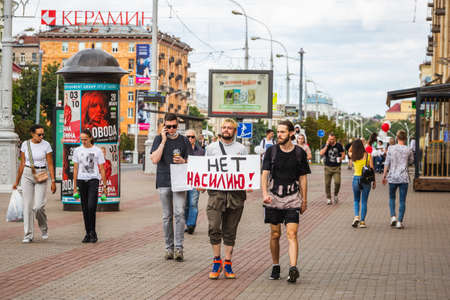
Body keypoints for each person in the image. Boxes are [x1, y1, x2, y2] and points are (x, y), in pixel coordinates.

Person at [261, 120, 310, 283]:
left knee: (292, 233)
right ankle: (275, 265)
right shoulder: (271, 152)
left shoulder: (299, 153)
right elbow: (265, 174)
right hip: (274, 198)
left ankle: (293, 268)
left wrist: (304, 200)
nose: (279, 135)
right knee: (275, 234)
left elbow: (303, 178)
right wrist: (264, 193)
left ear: (291, 133)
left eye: (282, 132)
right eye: (278, 132)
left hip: (292, 199)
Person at [206, 119, 248, 280]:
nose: (226, 130)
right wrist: (201, 183)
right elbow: (205, 169)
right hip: (216, 195)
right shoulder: (211, 148)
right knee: (214, 227)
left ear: (235, 131)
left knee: (230, 230)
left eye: (230, 128)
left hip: (236, 196)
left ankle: (228, 262)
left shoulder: (241, 149)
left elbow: (245, 170)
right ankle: (217, 261)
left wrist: (248, 183)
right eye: (224, 127)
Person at [151, 113, 191, 261]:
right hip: (164, 180)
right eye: (169, 127)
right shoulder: (158, 139)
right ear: (164, 126)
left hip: (180, 181)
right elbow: (155, 159)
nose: (172, 129)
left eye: (174, 126)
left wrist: (183, 160)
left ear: (177, 125)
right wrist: (163, 140)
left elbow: (192, 161)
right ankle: (169, 248)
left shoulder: (184, 140)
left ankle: (179, 248)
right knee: (167, 216)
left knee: (179, 213)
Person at [13, 124, 56, 243]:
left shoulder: (46, 145)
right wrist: (17, 181)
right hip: (27, 173)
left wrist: (53, 181)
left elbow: (50, 164)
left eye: (43, 134)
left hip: (41, 174)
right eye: (39, 134)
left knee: (38, 207)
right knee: (27, 206)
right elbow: (22, 164)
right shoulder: (25, 144)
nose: (41, 136)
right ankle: (28, 235)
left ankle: (44, 228)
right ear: (32, 134)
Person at [72, 129, 108, 243]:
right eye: (81, 139)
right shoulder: (77, 150)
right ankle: (88, 233)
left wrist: (105, 186)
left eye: (85, 139)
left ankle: (93, 231)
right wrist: (74, 186)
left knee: (91, 206)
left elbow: (102, 168)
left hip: (93, 180)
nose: (83, 141)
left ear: (91, 138)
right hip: (81, 180)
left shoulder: (97, 151)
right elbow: (76, 168)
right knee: (84, 208)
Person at [382, 130, 414, 229]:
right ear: (405, 138)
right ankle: (399, 221)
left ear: (397, 137)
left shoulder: (391, 148)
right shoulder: (409, 149)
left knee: (392, 198)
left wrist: (384, 176)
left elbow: (387, 162)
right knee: (402, 200)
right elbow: (411, 161)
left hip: (392, 177)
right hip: (404, 177)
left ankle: (393, 217)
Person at [349, 139, 376, 228]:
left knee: (356, 200)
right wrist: (374, 181)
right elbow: (372, 169)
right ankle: (362, 222)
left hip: (356, 179)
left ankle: (356, 216)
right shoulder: (368, 156)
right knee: (364, 201)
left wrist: (353, 145)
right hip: (366, 180)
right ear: (362, 146)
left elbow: (348, 150)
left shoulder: (353, 156)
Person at [184, 130, 205, 234]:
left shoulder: (201, 151)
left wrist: (204, 184)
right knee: (184, 205)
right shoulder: (180, 150)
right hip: (182, 181)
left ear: (195, 138)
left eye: (192, 137)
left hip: (195, 181)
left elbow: (204, 168)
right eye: (188, 137)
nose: (190, 139)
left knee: (193, 203)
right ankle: (187, 223)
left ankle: (191, 225)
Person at [319, 133, 345, 205]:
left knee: (337, 182)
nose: (331, 140)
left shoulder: (339, 145)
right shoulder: (325, 145)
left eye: (332, 139)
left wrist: (341, 158)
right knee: (327, 184)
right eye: (330, 139)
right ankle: (328, 198)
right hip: (327, 167)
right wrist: (327, 145)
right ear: (328, 139)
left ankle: (336, 194)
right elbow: (321, 153)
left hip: (336, 167)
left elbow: (343, 154)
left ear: (335, 139)